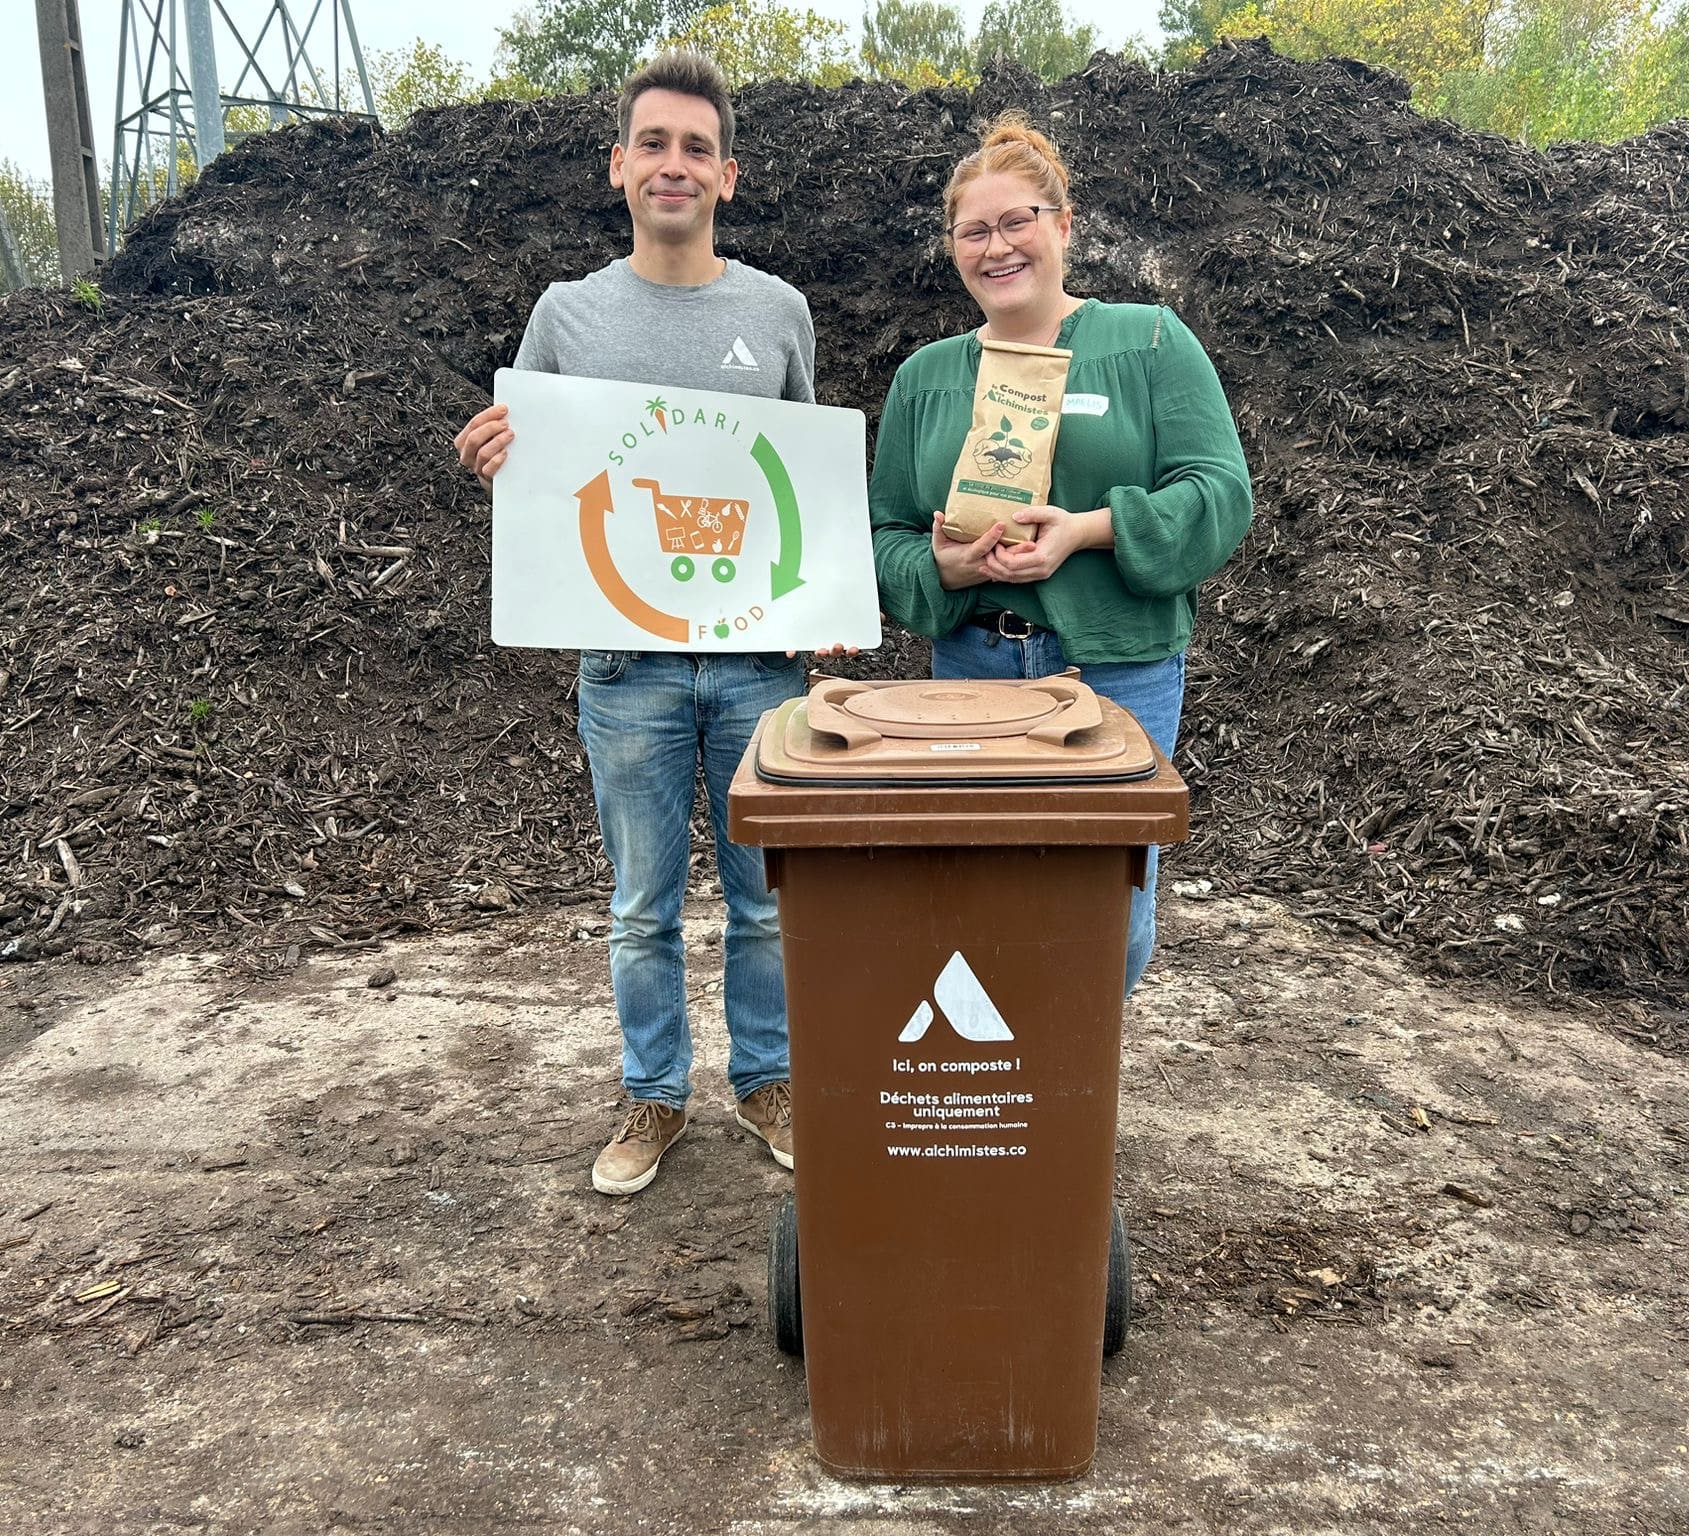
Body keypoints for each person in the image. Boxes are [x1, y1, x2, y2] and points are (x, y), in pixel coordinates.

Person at [455, 52, 814, 1197]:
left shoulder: (777, 313)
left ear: (727, 175)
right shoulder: (565, 316)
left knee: (766, 903)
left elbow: (796, 487)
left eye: (696, 148)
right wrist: (492, 460)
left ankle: (767, 1082)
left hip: (757, 666)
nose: (674, 165)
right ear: (618, 166)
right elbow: (537, 477)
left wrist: (821, 595)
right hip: (625, 669)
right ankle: (654, 1096)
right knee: (639, 910)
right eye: (653, 143)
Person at [867, 113, 1254, 996]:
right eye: (974, 231)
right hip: (972, 672)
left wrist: (1088, 529)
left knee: (1108, 913)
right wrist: (941, 570)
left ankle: (1073, 1067)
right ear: (953, 247)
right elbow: (884, 533)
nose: (997, 247)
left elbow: (1220, 494)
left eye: (1018, 221)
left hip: (1116, 671)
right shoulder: (925, 378)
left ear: (1064, 225)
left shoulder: (1148, 342)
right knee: (974, 900)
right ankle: (1008, 1072)